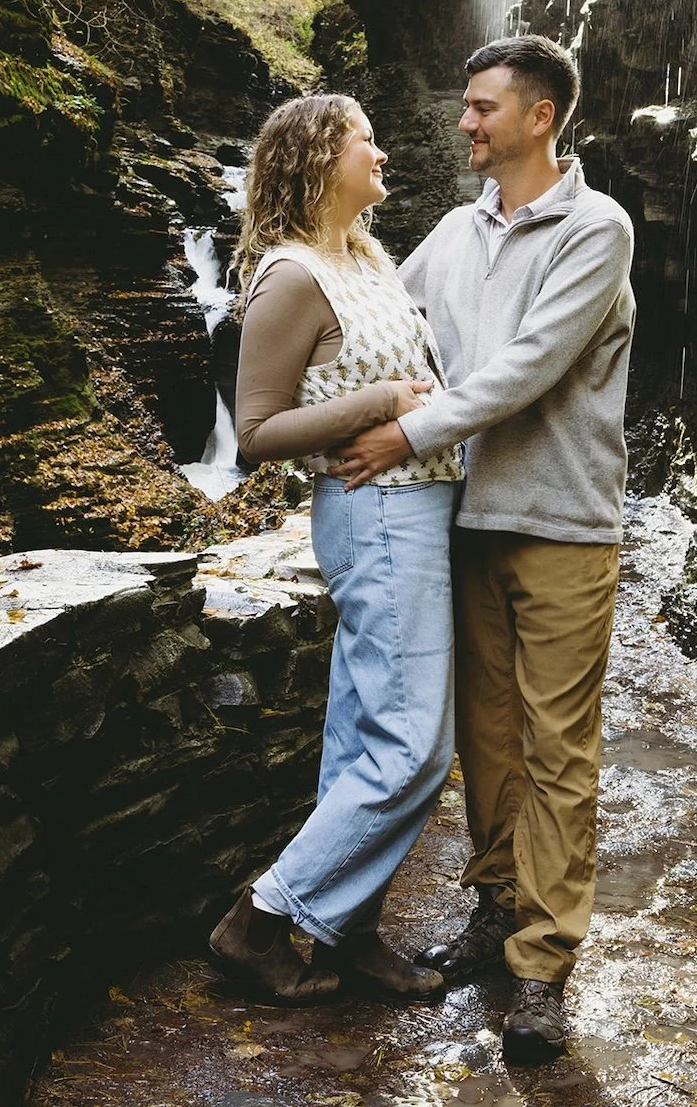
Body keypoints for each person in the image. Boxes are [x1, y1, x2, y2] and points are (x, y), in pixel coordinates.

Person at [328, 36, 635, 1062]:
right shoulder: (454, 234)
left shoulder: (597, 230)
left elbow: (527, 369)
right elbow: (387, 316)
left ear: (538, 116)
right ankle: (498, 910)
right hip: (463, 520)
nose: (463, 122)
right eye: (466, 106)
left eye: (481, 107)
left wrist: (401, 433)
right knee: (489, 746)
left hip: (560, 524)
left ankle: (545, 965)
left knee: (559, 750)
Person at [206, 93, 465, 1005]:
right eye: (366, 138)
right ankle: (262, 921)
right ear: (321, 159)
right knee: (415, 748)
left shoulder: (359, 255)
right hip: (378, 515)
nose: (383, 150)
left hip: (415, 512)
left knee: (363, 740)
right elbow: (256, 432)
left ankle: (348, 931)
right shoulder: (289, 278)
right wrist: (386, 405)